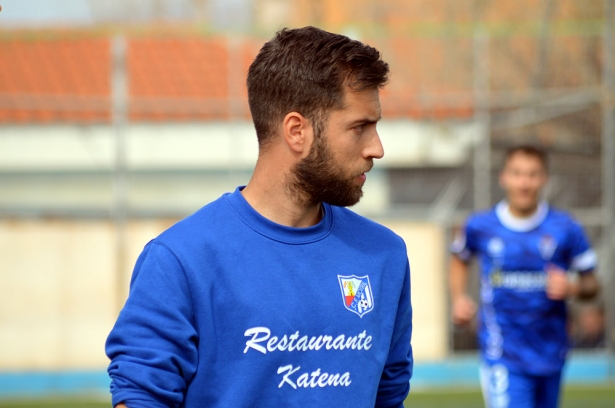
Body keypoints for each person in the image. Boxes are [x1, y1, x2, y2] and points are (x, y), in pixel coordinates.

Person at [106, 26, 413, 408]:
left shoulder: (384, 254)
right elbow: (140, 396)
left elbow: (388, 395)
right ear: (297, 131)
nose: (377, 148)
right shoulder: (180, 260)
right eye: (359, 127)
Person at [449, 145, 599, 408]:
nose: (524, 182)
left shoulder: (566, 228)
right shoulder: (480, 225)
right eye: (517, 173)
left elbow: (592, 284)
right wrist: (459, 297)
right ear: (503, 177)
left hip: (551, 353)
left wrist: (572, 288)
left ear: (544, 179)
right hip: (502, 353)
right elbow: (459, 258)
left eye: (532, 174)